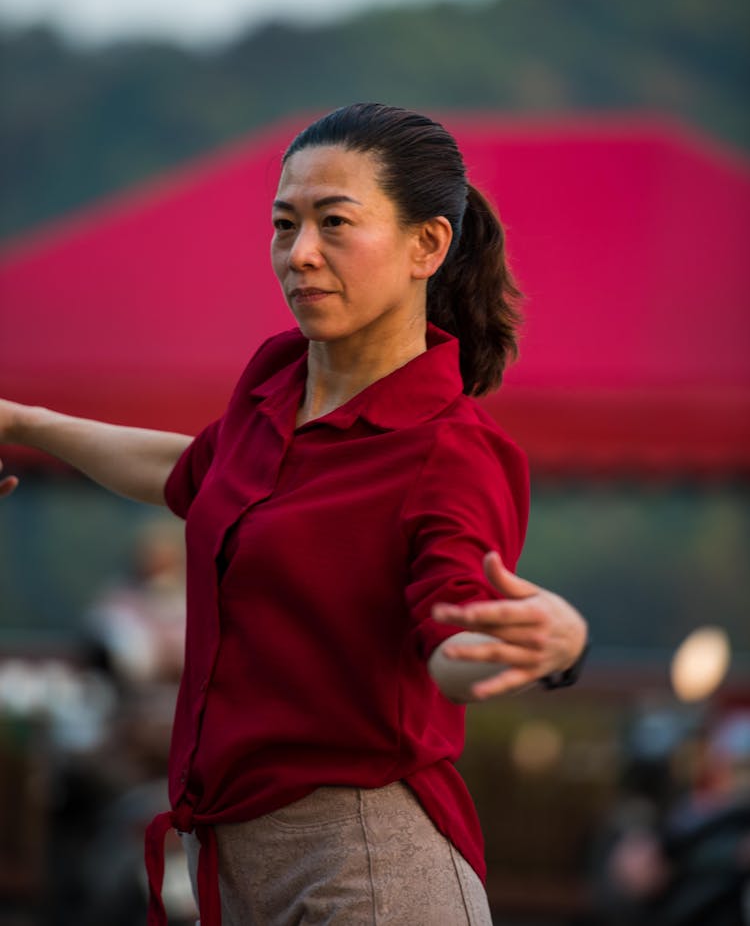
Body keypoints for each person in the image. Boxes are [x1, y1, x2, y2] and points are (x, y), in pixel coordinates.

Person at [0, 102, 589, 926]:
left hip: (364, 871)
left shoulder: (449, 449)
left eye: (334, 223)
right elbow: (197, 473)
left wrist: (536, 643)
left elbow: (455, 635)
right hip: (230, 860)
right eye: (285, 224)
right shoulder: (277, 382)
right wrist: (21, 424)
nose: (300, 253)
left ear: (428, 245)